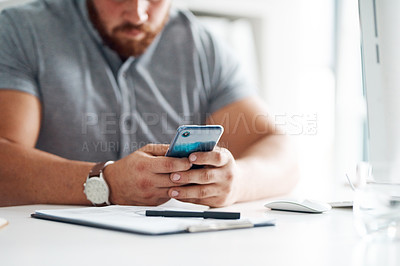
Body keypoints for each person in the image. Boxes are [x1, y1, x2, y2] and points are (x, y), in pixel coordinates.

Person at [0, 0, 298, 207]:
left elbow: (279, 151)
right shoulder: (20, 32)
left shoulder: (203, 48)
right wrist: (107, 183)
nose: (138, 14)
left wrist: (236, 182)